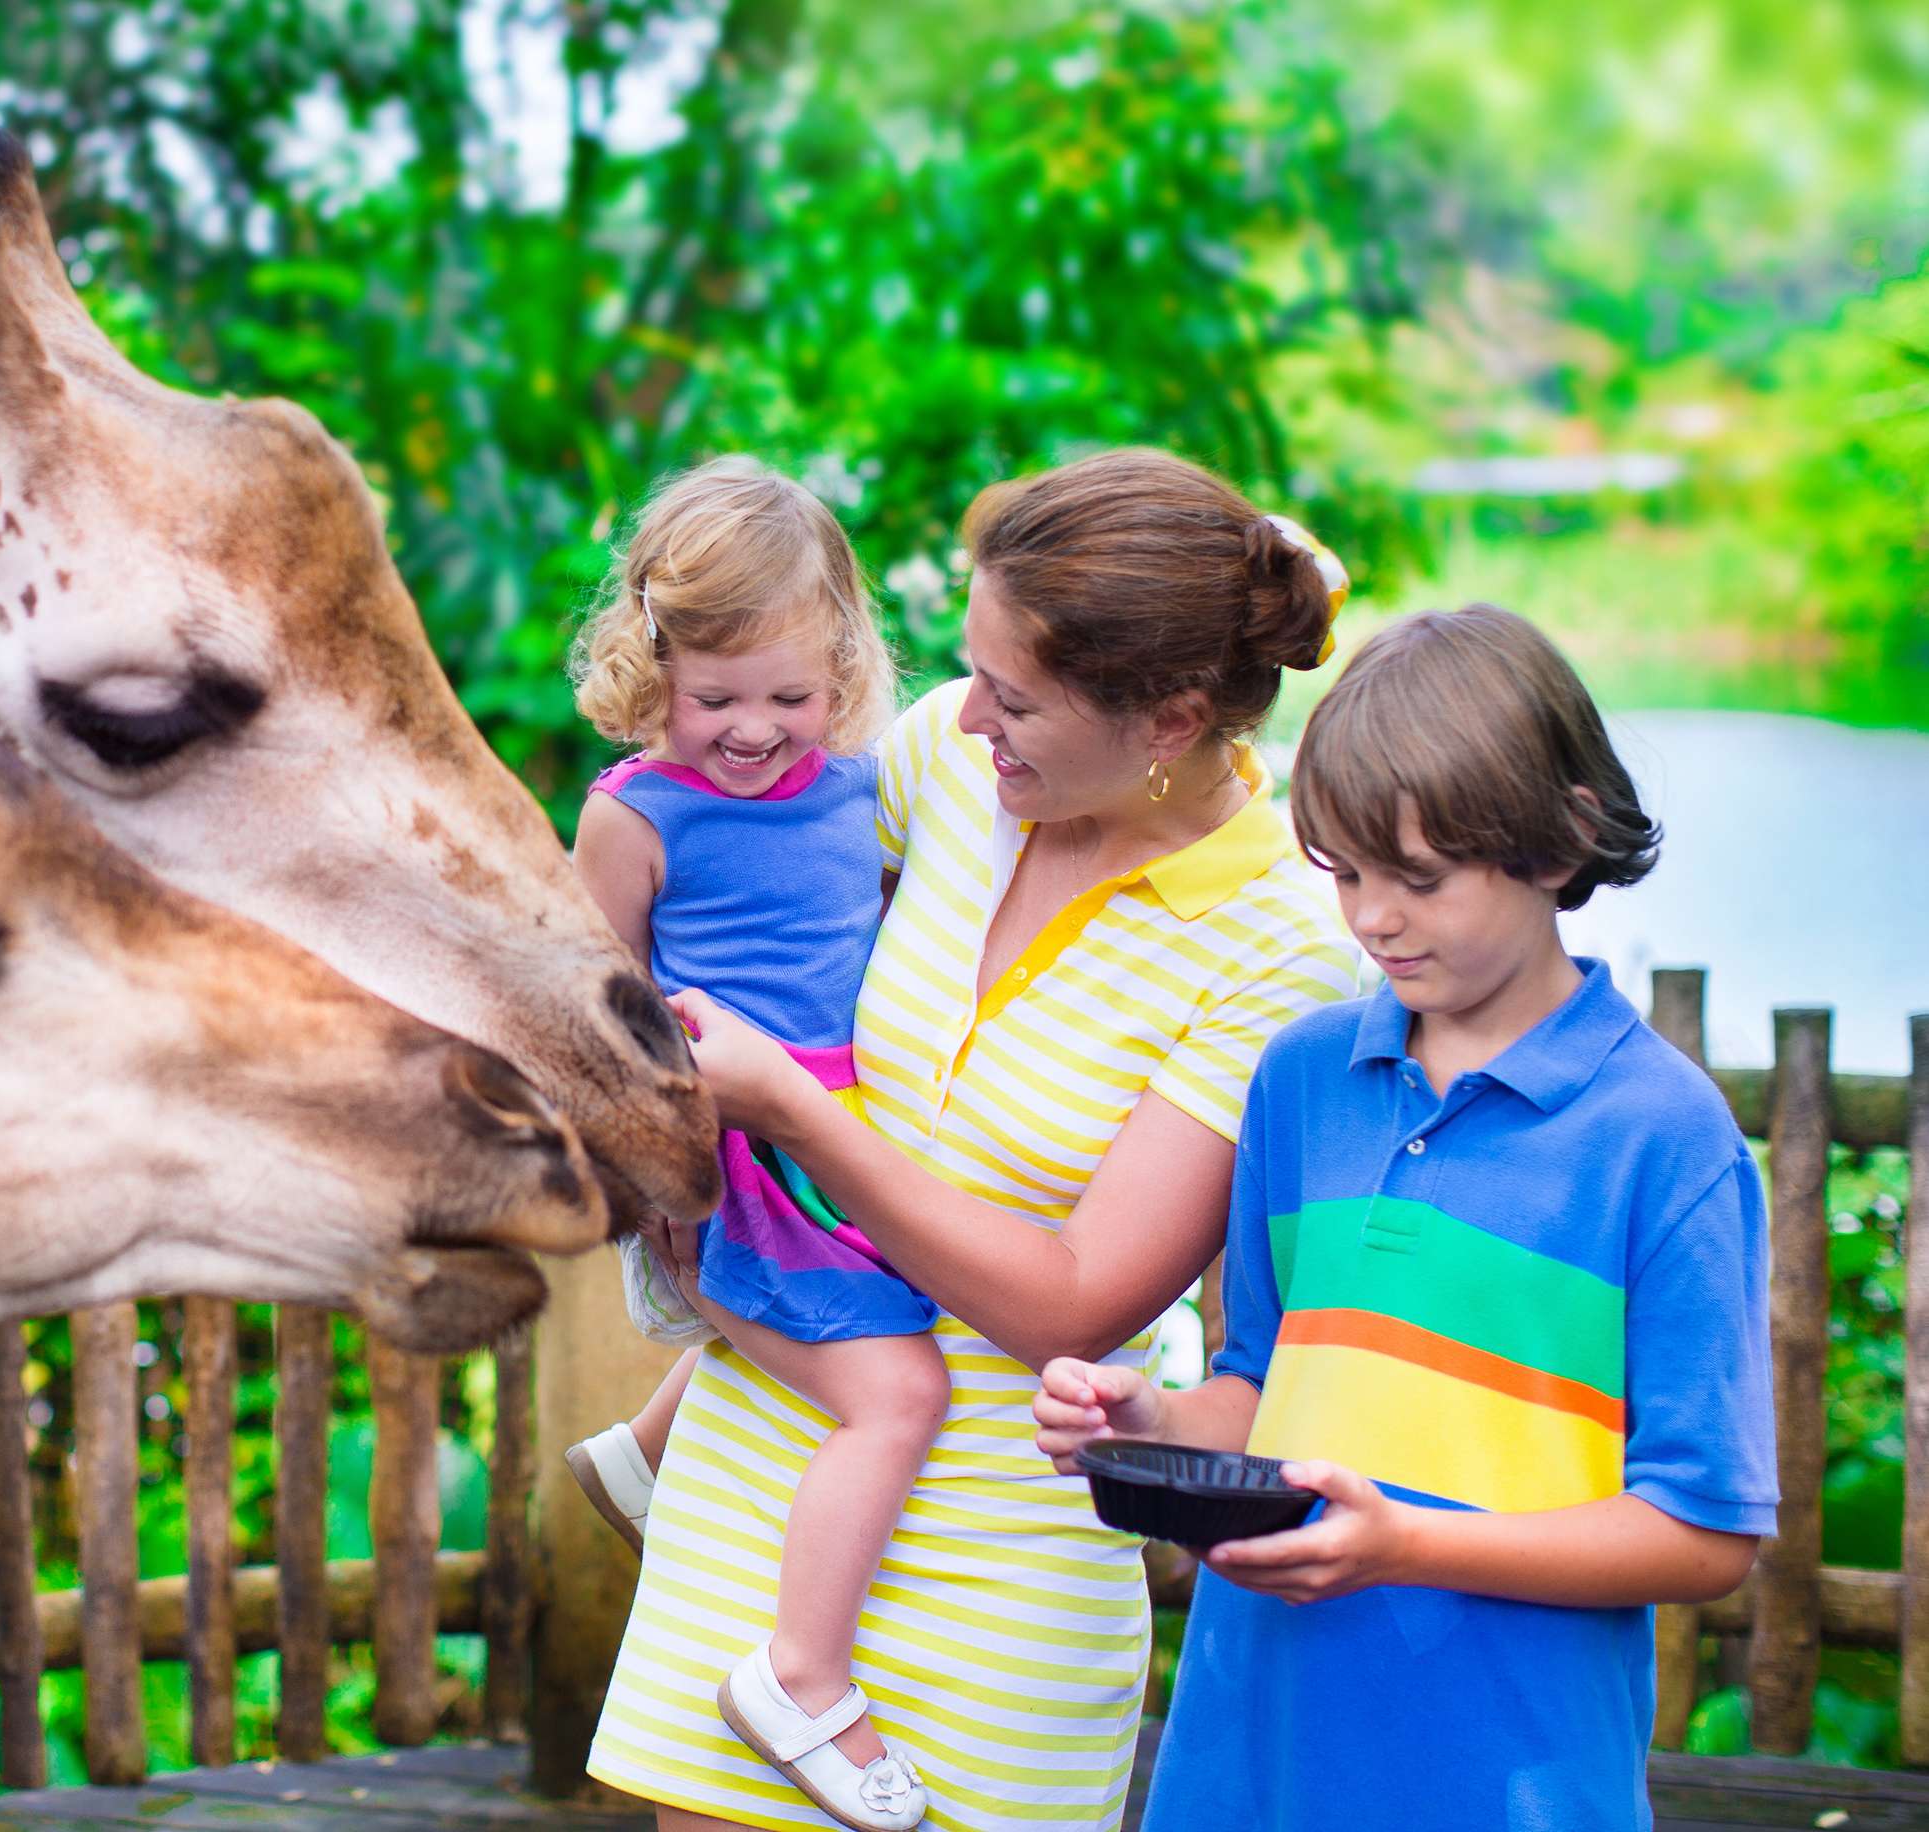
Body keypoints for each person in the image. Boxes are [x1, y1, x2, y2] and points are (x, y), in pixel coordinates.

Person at [587, 447, 1360, 1832]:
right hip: (764, 1474)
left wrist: (791, 1112)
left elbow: (1074, 1300)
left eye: (1015, 700)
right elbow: (754, 886)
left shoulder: (1278, 944)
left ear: (1172, 719)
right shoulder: (949, 761)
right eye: (972, 675)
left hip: (1005, 1548)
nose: (967, 720)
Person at [1031, 604, 1776, 1832]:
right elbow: (1261, 1388)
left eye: (1417, 878)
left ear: (1559, 842)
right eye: (1345, 873)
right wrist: (1155, 1420)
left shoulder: (1663, 1136)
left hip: (1506, 1777)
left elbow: (1702, 1532)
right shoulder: (1302, 1079)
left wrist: (1408, 1545)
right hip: (1249, 1751)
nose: (1371, 917)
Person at [562, 456, 943, 1831]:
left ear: (838, 667)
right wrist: (652, 1171)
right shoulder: (638, 812)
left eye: (789, 697)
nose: (751, 731)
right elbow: (589, 1005)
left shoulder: (853, 787)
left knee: (894, 1319)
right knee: (897, 1396)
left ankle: (646, 1456)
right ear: (645, 664)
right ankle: (800, 1676)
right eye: (714, 699)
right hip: (738, 1153)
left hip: (830, 1133)